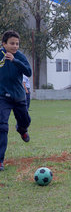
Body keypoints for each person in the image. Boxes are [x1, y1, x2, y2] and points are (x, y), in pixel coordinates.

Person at [0, 30, 32, 171]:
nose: (15, 46)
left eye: (17, 44)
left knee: (25, 121)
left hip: (19, 96)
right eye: (12, 43)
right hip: (2, 97)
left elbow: (28, 72)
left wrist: (15, 60)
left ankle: (21, 129)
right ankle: (0, 160)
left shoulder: (20, 56)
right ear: (4, 44)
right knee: (2, 127)